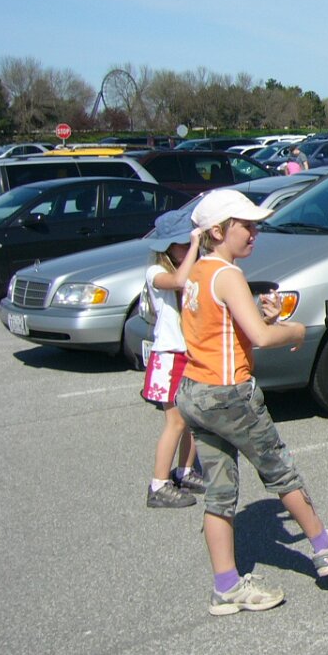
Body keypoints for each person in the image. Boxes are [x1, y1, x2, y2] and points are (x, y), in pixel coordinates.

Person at [175, 190, 328, 616]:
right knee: (280, 471)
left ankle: (226, 585)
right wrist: (293, 330)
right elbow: (260, 337)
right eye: (245, 226)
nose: (254, 232)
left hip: (196, 391)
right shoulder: (228, 275)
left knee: (219, 494)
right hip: (230, 394)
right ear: (217, 231)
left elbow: (225, 329)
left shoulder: (198, 271)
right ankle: (324, 547)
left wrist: (266, 317)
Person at [141, 210, 204, 509]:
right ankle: (159, 484)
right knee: (175, 421)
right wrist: (195, 246)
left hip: (190, 351)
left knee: (192, 418)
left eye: (189, 242)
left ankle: (185, 471)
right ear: (166, 246)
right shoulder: (156, 271)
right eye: (182, 243)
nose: (187, 247)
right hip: (169, 354)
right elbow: (178, 281)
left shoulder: (190, 265)